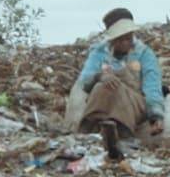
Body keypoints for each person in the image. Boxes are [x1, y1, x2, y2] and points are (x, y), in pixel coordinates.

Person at [70, 8, 164, 153]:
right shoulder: (100, 53)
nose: (126, 42)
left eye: (128, 38)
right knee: (102, 86)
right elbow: (85, 79)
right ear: (113, 39)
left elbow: (152, 86)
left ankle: (124, 133)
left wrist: (156, 115)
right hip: (105, 102)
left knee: (117, 88)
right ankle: (89, 129)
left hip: (135, 103)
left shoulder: (144, 54)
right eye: (121, 39)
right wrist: (100, 76)